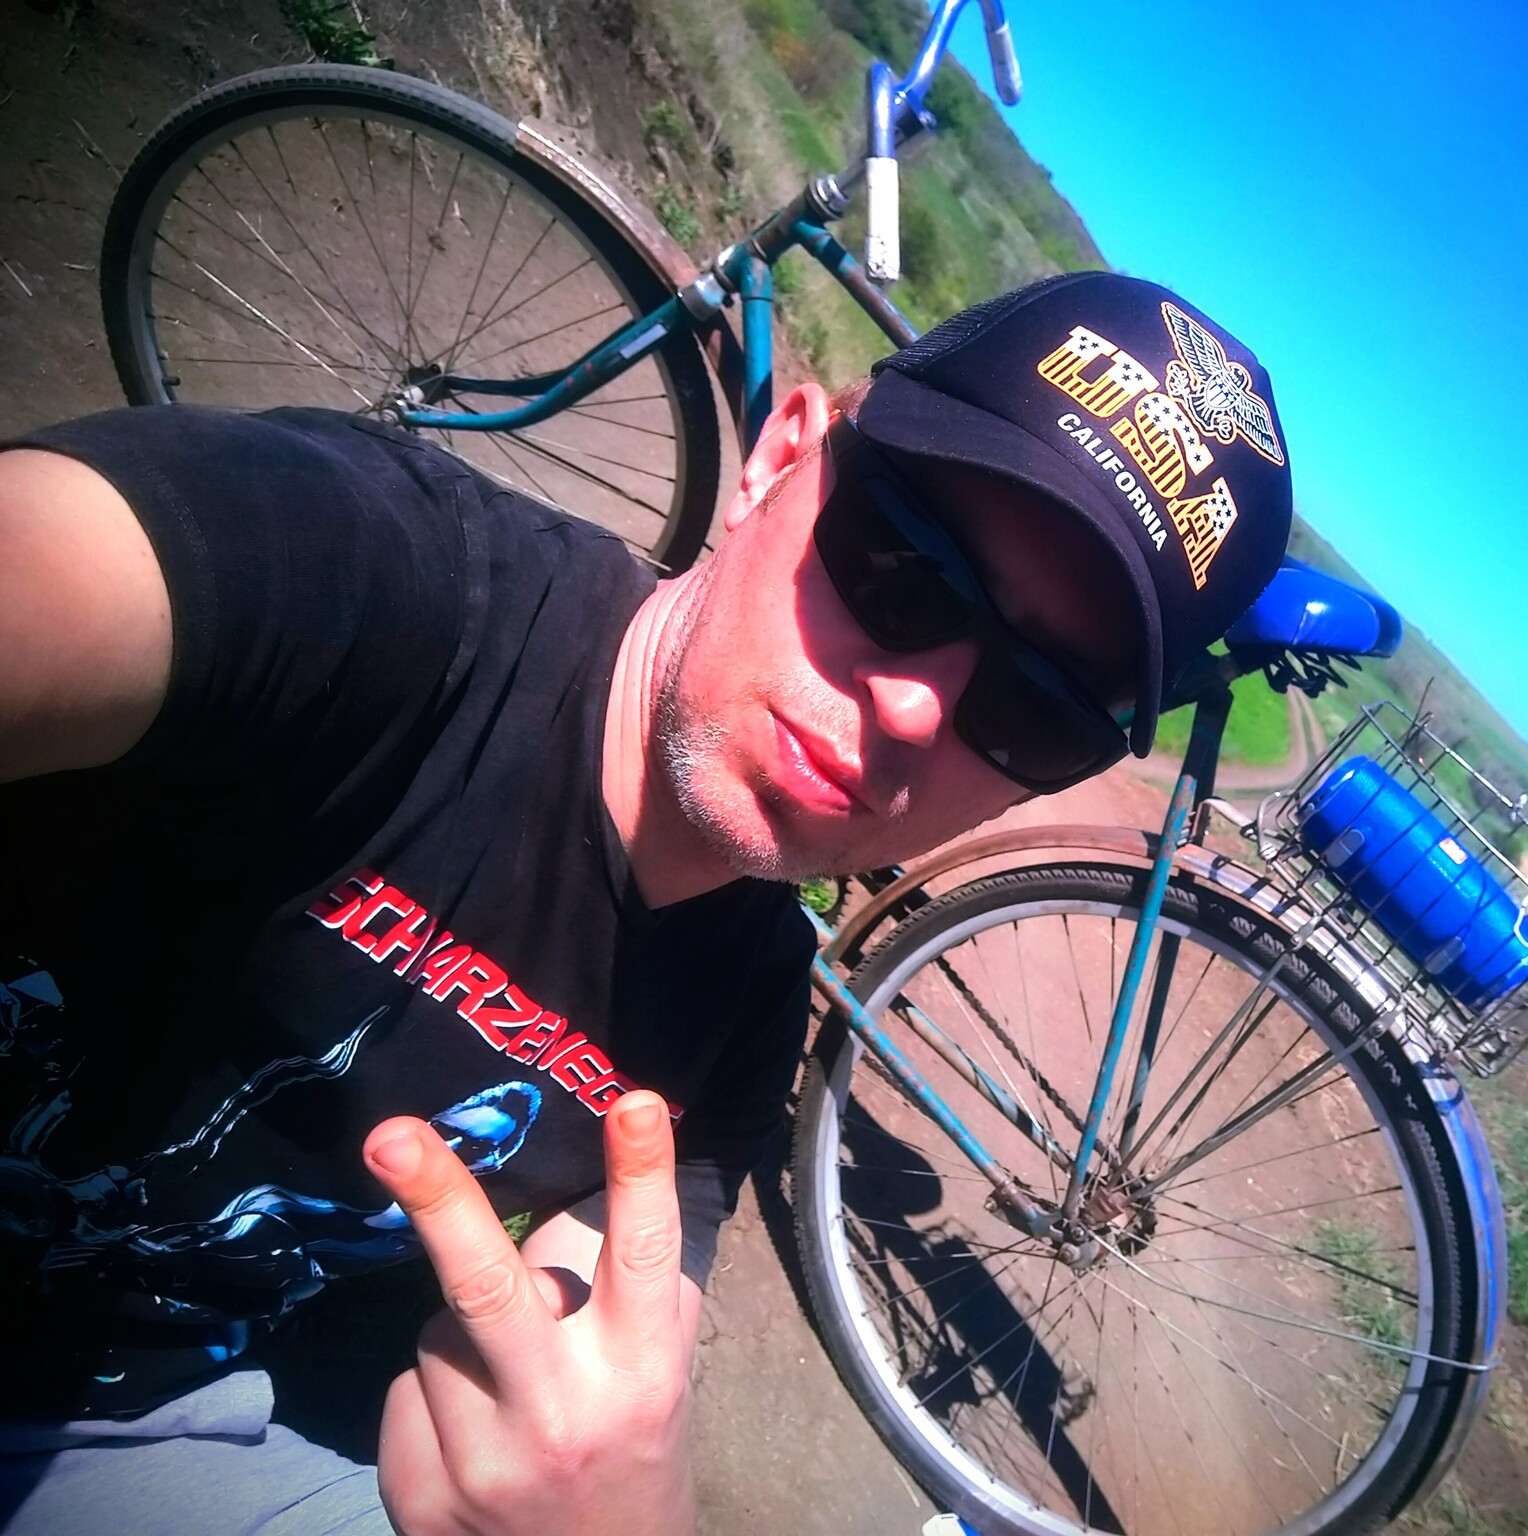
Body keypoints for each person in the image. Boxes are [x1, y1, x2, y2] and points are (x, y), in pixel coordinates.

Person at [0, 271, 1294, 1534]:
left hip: (130, 1426)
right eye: (906, 562)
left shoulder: (741, 1023)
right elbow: (78, 566)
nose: (917, 706)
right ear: (780, 459)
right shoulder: (377, 584)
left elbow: (596, 1374)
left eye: (1038, 708)